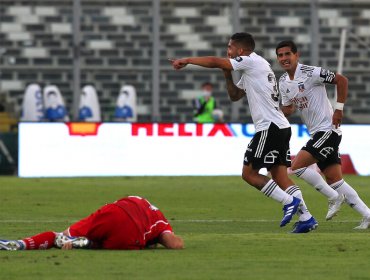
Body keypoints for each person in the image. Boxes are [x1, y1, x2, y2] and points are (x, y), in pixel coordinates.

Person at [170, 32, 317, 233]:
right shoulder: (255, 67)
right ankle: (306, 217)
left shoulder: (250, 62)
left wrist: (187, 60)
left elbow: (214, 61)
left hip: (269, 127)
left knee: (248, 174)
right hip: (280, 127)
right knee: (280, 177)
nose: (227, 51)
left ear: (240, 50)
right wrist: (226, 72)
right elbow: (235, 95)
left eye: (229, 47)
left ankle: (288, 201)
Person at [276, 40, 370, 229]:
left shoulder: (311, 72)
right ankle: (368, 215)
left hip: (328, 130)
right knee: (335, 180)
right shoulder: (283, 82)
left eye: (288, 54)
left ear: (296, 55)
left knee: (297, 166)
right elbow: (288, 109)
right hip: (317, 133)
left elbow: (341, 80)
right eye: (280, 55)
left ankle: (333, 197)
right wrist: (272, 106)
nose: (284, 58)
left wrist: (339, 109)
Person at [0, 196, 184, 250]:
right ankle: (86, 244)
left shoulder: (144, 205)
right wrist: (155, 242)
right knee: (102, 245)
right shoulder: (161, 221)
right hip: (130, 234)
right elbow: (174, 244)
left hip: (111, 211)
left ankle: (20, 244)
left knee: (61, 235)